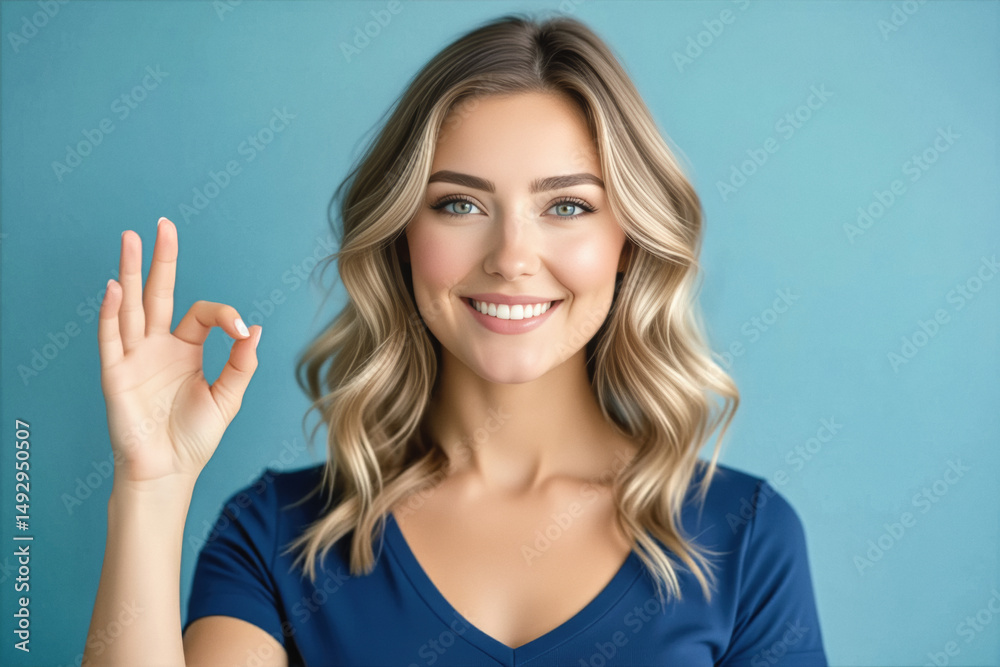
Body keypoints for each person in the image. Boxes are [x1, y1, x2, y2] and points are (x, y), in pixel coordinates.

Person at [83, 12, 827, 667]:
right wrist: (152, 486)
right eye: (460, 203)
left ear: (626, 242)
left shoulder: (745, 537)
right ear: (402, 235)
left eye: (566, 205)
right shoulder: (276, 535)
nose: (510, 256)